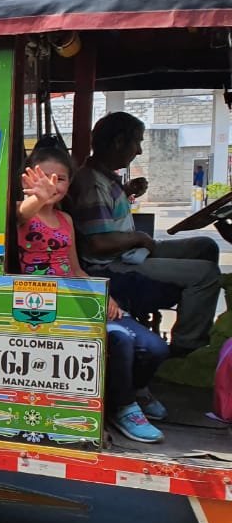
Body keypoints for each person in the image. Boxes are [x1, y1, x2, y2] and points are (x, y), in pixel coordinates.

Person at [18, 146, 170, 442]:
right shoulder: (20, 212)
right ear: (27, 180)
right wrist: (38, 197)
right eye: (44, 178)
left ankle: (123, 393)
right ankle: (124, 407)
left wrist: (103, 294)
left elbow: (75, 269)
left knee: (155, 348)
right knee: (119, 339)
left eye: (60, 179)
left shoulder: (66, 221)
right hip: (43, 305)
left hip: (76, 297)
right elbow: (22, 214)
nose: (52, 185)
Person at [68, 112, 222, 358]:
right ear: (119, 142)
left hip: (129, 252)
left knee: (205, 247)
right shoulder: (92, 184)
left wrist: (126, 192)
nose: (139, 151)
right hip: (113, 264)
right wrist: (140, 238)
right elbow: (98, 242)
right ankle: (185, 348)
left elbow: (107, 215)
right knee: (206, 274)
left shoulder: (107, 179)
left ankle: (194, 316)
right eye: (137, 142)